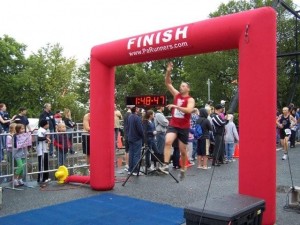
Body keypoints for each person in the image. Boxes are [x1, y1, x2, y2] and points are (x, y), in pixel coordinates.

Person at [159, 62, 195, 181]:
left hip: (184, 127)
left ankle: (183, 168)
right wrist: (168, 71)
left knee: (182, 151)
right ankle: (165, 164)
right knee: (168, 141)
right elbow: (168, 83)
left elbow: (189, 110)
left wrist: (176, 107)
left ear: (188, 88)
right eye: (180, 85)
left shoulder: (190, 99)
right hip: (174, 124)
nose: (181, 87)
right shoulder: (177, 95)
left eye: (183, 86)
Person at [127, 106, 144, 176]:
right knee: (137, 154)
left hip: (130, 137)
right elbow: (140, 129)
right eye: (138, 108)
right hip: (137, 138)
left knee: (131, 154)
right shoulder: (137, 118)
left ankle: (130, 169)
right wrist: (143, 136)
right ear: (136, 109)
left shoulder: (130, 117)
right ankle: (135, 170)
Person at [123, 107, 131, 171]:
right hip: (130, 134)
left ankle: (126, 164)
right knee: (130, 150)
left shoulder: (125, 115)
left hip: (126, 133)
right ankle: (129, 165)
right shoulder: (131, 115)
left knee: (126, 150)